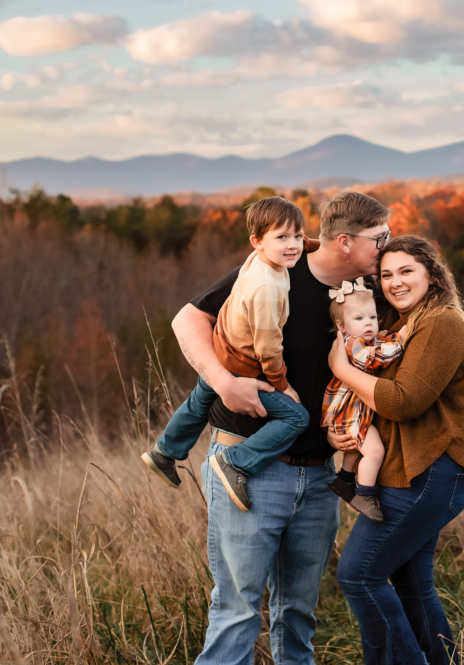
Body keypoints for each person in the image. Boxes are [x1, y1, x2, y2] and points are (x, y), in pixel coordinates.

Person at [171, 191, 393, 665]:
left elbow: (415, 349)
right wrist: (223, 381)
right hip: (249, 466)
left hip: (318, 475)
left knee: (299, 613)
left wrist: (462, 397)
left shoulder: (364, 297)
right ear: (346, 242)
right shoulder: (274, 271)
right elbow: (188, 318)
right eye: (381, 239)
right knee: (237, 611)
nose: (387, 248)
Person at [327, 235, 464, 665]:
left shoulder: (442, 322)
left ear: (431, 273)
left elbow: (403, 402)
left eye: (406, 271)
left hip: (430, 471)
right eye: (386, 274)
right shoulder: (406, 321)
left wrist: (342, 371)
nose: (394, 282)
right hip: (414, 469)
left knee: (359, 575)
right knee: (410, 583)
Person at [141, 196, 311, 512]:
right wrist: (283, 385)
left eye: (298, 236)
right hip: (242, 363)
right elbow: (268, 350)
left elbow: (294, 242)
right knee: (296, 417)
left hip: (223, 345)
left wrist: (311, 244)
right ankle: (236, 463)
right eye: (283, 238)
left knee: (200, 398)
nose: (294, 246)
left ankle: (164, 452)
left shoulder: (257, 259)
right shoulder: (267, 290)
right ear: (257, 241)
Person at [323, 278, 409, 522]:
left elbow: (377, 345)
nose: (368, 323)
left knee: (357, 447)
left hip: (354, 411)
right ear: (341, 325)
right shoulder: (350, 344)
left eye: (371, 317)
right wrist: (398, 340)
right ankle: (364, 494)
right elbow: (372, 360)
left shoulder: (366, 340)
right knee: (374, 451)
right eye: (359, 319)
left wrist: (385, 337)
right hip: (346, 412)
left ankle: (344, 479)